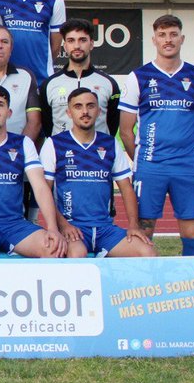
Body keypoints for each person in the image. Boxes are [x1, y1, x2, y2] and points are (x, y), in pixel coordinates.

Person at [118, 14, 194, 257]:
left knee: (192, 236)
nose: (167, 40)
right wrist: (144, 156)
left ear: (182, 38)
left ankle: (190, 290)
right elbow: (126, 130)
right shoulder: (139, 77)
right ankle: (145, 289)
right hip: (150, 168)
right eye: (162, 35)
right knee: (143, 235)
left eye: (173, 34)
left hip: (186, 167)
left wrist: (184, 148)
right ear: (154, 39)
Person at [41, 88, 155, 259]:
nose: (85, 111)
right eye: (78, 107)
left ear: (99, 111)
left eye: (90, 106)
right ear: (69, 112)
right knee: (77, 254)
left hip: (105, 229)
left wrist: (133, 225)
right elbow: (44, 192)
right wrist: (63, 225)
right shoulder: (55, 144)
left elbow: (126, 188)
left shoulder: (110, 144)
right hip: (73, 228)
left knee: (147, 252)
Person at [0, 86, 67, 258]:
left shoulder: (23, 143)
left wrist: (52, 227)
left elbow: (40, 187)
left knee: (54, 249)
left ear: (9, 112)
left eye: (0, 104)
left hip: (15, 224)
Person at [39, 18, 121, 137]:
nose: (77, 46)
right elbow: (47, 126)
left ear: (91, 44)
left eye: (82, 40)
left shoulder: (108, 83)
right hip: (61, 152)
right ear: (65, 45)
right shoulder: (49, 84)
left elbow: (112, 124)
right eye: (71, 40)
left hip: (97, 153)